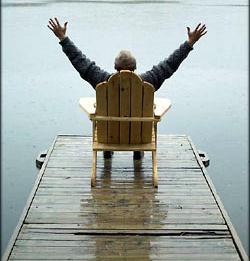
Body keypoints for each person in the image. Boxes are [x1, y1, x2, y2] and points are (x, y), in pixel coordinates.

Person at [48, 17, 207, 158]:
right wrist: (189, 43)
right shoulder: (148, 82)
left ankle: (107, 152)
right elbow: (169, 64)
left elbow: (80, 62)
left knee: (102, 109)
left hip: (108, 135)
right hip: (139, 136)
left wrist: (63, 38)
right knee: (145, 109)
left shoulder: (102, 81)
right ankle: (138, 152)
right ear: (135, 67)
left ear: (114, 66)